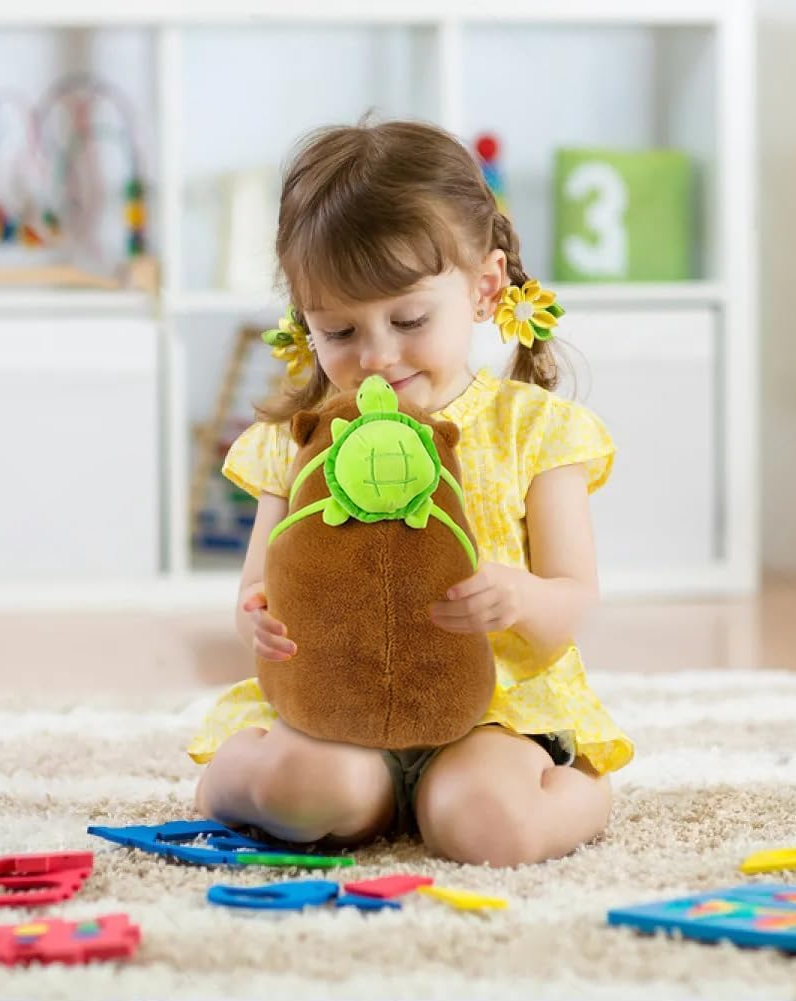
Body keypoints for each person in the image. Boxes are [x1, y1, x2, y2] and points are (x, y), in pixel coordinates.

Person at [188, 119, 633, 867]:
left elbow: (571, 601)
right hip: (337, 709)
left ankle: (587, 790)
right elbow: (259, 590)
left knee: (484, 824)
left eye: (409, 319)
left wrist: (519, 596)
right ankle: (245, 781)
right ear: (306, 322)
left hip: (492, 716)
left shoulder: (536, 431)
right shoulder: (297, 441)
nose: (377, 355)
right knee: (315, 792)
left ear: (485, 288)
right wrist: (258, 617)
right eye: (339, 331)